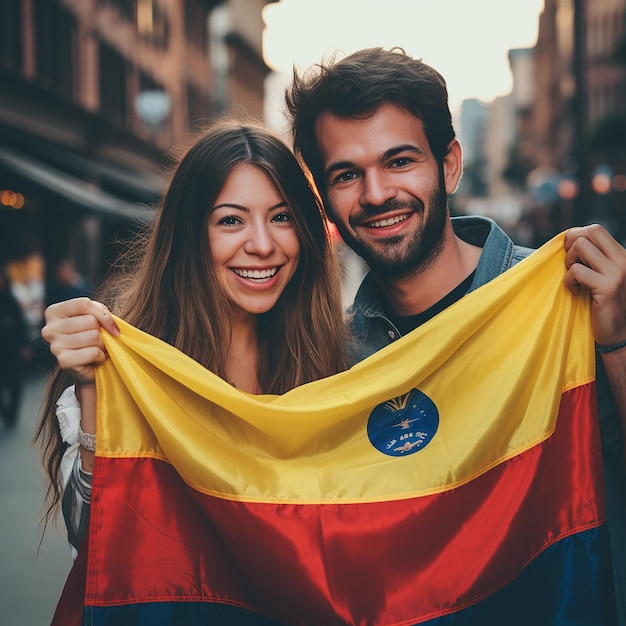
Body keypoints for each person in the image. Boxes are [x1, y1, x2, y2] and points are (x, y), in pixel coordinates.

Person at [284, 46, 626, 621]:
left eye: (399, 161)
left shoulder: (573, 303)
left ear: (449, 165)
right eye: (347, 174)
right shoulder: (331, 362)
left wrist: (617, 341)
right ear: (323, 196)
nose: (375, 195)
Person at [34, 118, 347, 553]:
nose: (261, 244)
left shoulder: (341, 358)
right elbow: (92, 541)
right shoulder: (126, 361)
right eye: (231, 221)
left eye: (282, 217)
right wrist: (93, 391)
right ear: (190, 235)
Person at [0, 265, 31, 428]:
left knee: (15, 384)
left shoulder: (11, 300)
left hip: (13, 350)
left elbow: (21, 324)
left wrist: (24, 345)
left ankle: (12, 414)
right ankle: (6, 414)